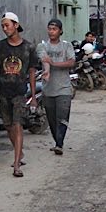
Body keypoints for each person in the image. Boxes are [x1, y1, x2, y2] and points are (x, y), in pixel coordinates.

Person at [0, 12, 40, 178]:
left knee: (18, 125)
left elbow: (32, 72)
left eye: (8, 25)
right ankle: (20, 153)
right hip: (4, 91)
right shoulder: (0, 46)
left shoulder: (28, 47)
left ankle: (17, 164)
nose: (5, 29)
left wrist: (33, 96)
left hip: (20, 92)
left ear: (16, 25)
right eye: (3, 26)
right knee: (8, 125)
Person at [38, 18, 75, 155]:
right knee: (52, 120)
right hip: (48, 90)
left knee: (63, 117)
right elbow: (45, 60)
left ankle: (59, 144)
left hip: (64, 88)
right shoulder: (42, 46)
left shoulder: (67, 46)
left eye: (54, 29)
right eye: (49, 29)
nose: (51, 31)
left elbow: (71, 62)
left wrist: (53, 64)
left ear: (60, 31)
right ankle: (57, 141)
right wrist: (47, 70)